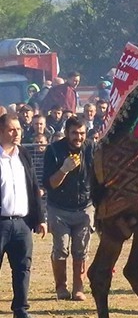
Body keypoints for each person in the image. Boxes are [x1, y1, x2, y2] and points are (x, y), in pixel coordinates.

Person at [0, 113, 47, 318]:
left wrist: (40, 218)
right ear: (1, 132)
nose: (17, 133)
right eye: (11, 129)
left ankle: (21, 310)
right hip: (1, 223)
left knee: (22, 268)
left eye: (18, 129)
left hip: (22, 224)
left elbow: (34, 187)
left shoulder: (24, 155)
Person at [42, 116, 94, 301]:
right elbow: (50, 184)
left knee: (81, 250)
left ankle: (79, 288)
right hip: (59, 208)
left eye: (81, 133)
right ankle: (61, 288)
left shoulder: (91, 148)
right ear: (66, 133)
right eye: (74, 133)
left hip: (84, 208)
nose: (78, 137)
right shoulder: (54, 151)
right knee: (61, 249)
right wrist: (64, 169)